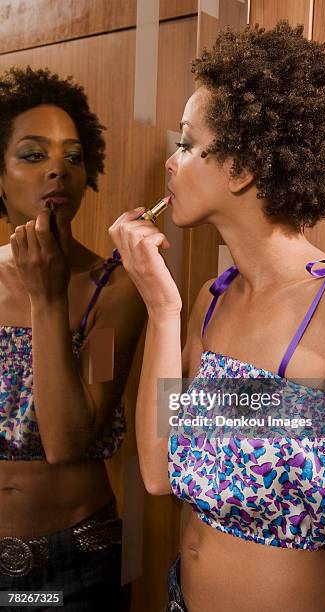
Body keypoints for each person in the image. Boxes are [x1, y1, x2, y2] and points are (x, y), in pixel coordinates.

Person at [109, 22, 325, 612]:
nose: (172, 162)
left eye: (189, 144)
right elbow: (156, 475)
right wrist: (162, 309)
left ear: (242, 168)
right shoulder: (208, 299)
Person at [0, 67, 145, 610]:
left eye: (73, 157)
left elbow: (67, 442)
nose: (57, 170)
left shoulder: (116, 289)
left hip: (74, 568)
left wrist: (48, 297)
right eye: (34, 154)